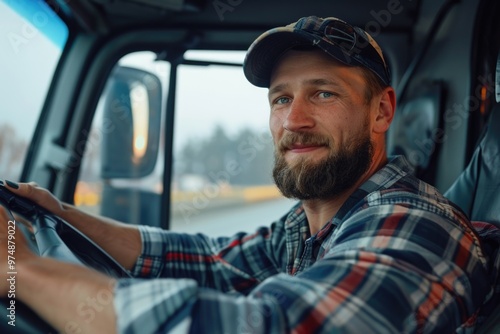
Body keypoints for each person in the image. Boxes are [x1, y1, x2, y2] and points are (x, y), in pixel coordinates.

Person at [0, 16, 492, 333]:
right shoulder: (308, 225)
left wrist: (24, 272)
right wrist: (60, 212)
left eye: (323, 93)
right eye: (281, 98)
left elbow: (272, 327)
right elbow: (208, 259)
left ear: (381, 112)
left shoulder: (419, 225)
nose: (293, 120)